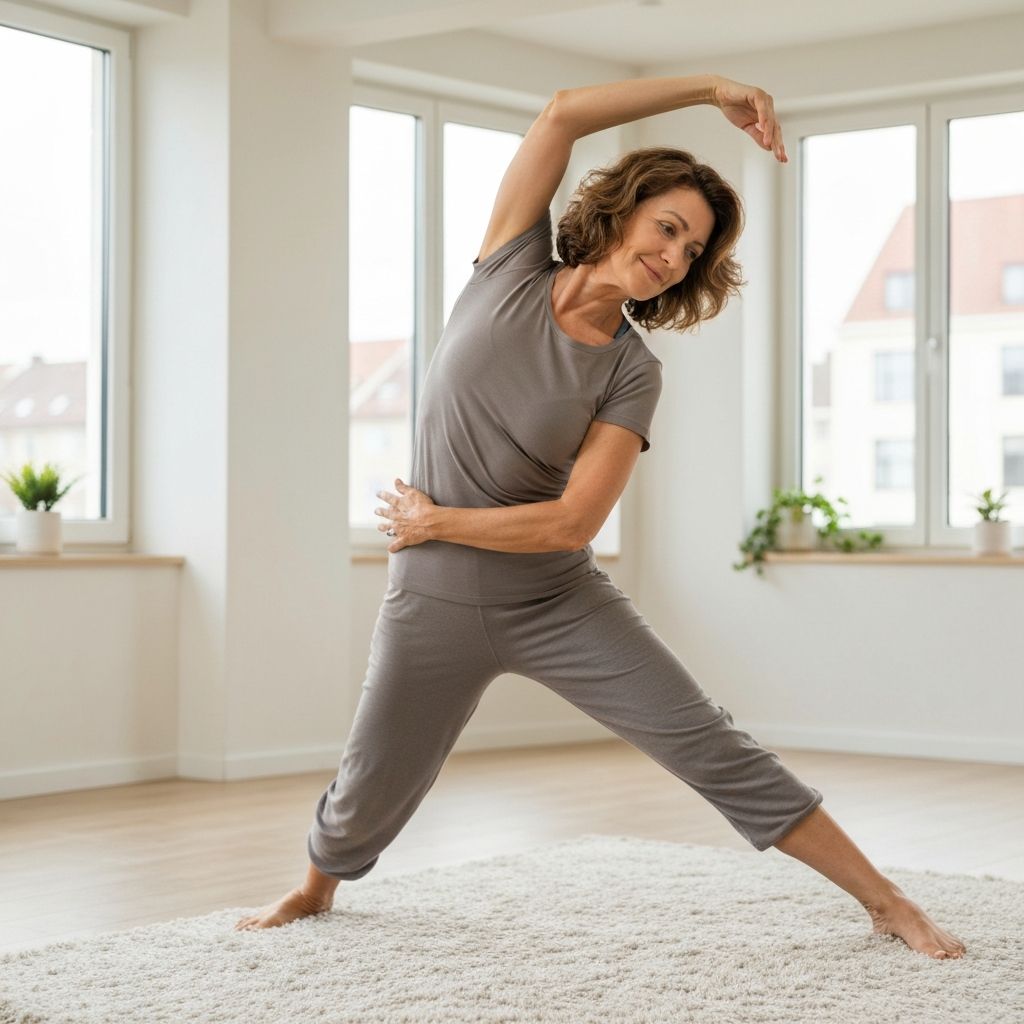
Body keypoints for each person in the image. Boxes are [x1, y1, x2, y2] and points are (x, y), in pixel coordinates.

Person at [234, 73, 966, 961]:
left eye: (693, 249)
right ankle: (314, 891)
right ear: (625, 210)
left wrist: (437, 523)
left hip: (554, 600)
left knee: (709, 743)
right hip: (431, 599)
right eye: (669, 226)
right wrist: (709, 89)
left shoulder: (631, 370)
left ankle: (886, 901)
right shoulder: (508, 265)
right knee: (374, 771)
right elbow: (562, 114)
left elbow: (572, 523)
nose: (675, 254)